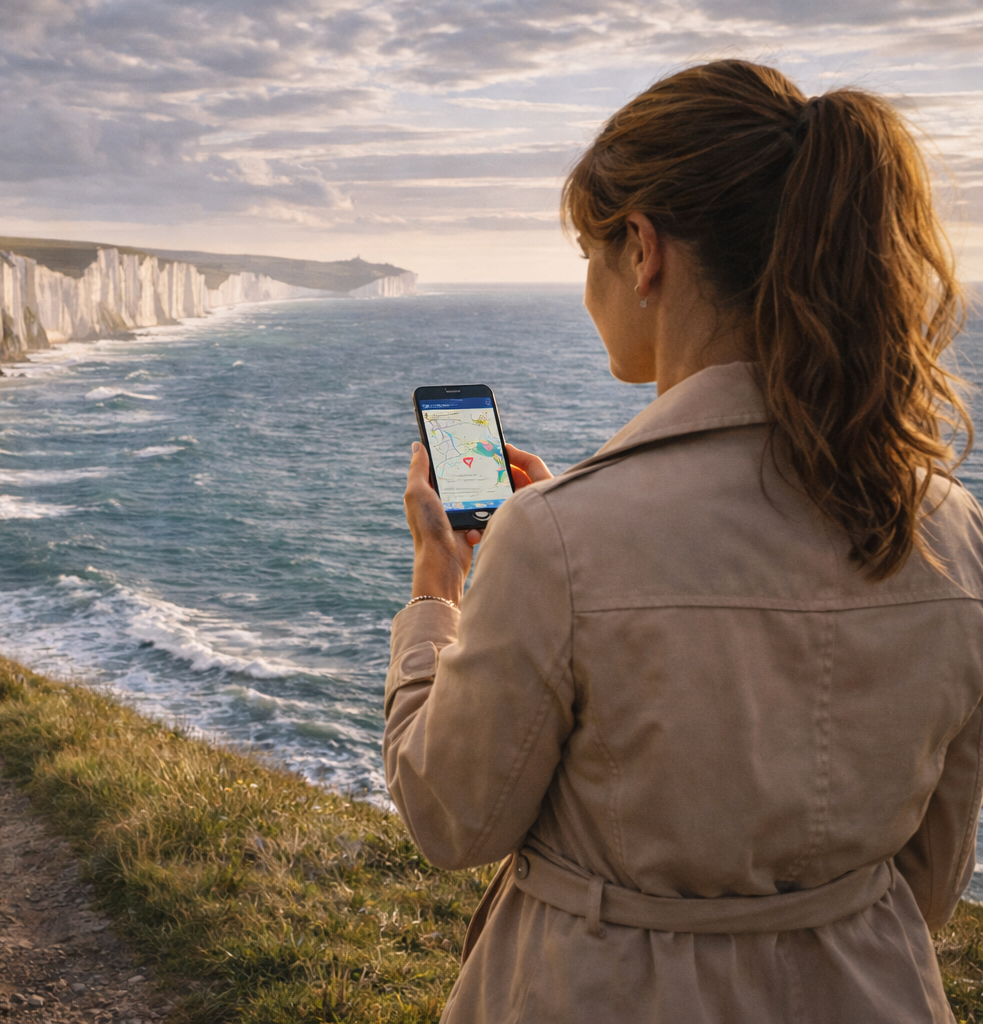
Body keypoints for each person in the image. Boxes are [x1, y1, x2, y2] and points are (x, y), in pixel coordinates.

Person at [384, 59, 983, 1022]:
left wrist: (435, 591)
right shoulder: (953, 528)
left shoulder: (556, 537)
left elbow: (451, 816)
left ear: (642, 251)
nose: (588, 288)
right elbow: (934, 872)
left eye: (591, 251)